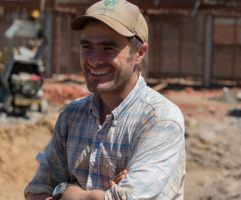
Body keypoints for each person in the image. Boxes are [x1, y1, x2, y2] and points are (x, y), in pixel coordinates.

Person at [24, 0, 186, 200]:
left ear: (140, 53)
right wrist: (96, 195)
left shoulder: (159, 119)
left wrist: (67, 192)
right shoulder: (71, 116)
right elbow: (36, 190)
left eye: (108, 48)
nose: (94, 59)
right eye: (87, 47)